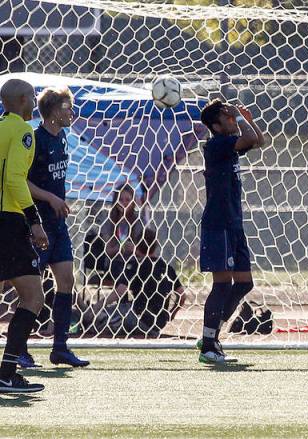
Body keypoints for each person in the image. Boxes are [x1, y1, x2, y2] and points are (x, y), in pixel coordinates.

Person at [196, 99, 265, 364]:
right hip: (219, 223)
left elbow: (259, 140)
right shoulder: (216, 146)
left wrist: (244, 118)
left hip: (234, 223)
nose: (231, 118)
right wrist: (241, 119)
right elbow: (249, 136)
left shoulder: (230, 145)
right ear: (216, 125)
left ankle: (211, 337)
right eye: (227, 115)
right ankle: (208, 346)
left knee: (245, 283)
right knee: (222, 284)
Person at [25, 85, 89, 367]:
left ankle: (60, 347)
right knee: (30, 291)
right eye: (66, 107)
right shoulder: (34, 139)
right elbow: (21, 181)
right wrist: (50, 197)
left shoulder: (63, 137)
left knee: (66, 281)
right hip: (36, 224)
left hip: (58, 224)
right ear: (51, 111)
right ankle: (19, 349)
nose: (71, 112)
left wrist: (59, 201)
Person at [0, 78, 47, 392]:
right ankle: (7, 373)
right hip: (9, 221)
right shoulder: (23, 131)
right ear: (20, 101)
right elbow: (15, 178)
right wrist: (34, 221)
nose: (35, 101)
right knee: (33, 296)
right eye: (32, 96)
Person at [80, 229, 185, 337]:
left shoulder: (137, 265)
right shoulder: (167, 268)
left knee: (108, 314)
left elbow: (120, 291)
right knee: (121, 309)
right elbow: (182, 295)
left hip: (138, 318)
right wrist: (172, 313)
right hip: (157, 324)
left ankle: (96, 320)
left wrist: (98, 306)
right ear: (156, 245)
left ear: (137, 245)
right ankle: (100, 318)